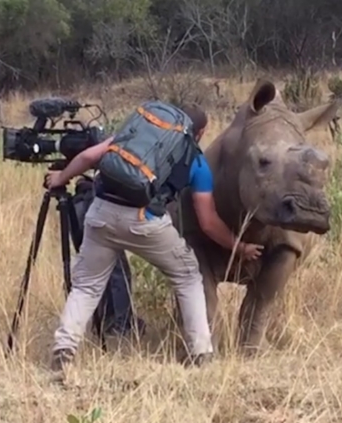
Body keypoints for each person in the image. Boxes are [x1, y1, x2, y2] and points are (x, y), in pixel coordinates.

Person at [45, 103, 264, 372]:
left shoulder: (136, 138)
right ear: (201, 131)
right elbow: (208, 223)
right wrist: (239, 246)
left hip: (100, 212)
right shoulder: (195, 160)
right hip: (145, 222)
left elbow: (89, 157)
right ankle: (201, 353)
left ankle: (64, 348)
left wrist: (60, 177)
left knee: (87, 286)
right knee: (187, 277)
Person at [71, 177, 145, 337]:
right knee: (116, 268)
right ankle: (120, 323)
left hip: (83, 197)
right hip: (97, 198)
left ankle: (105, 321)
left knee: (93, 267)